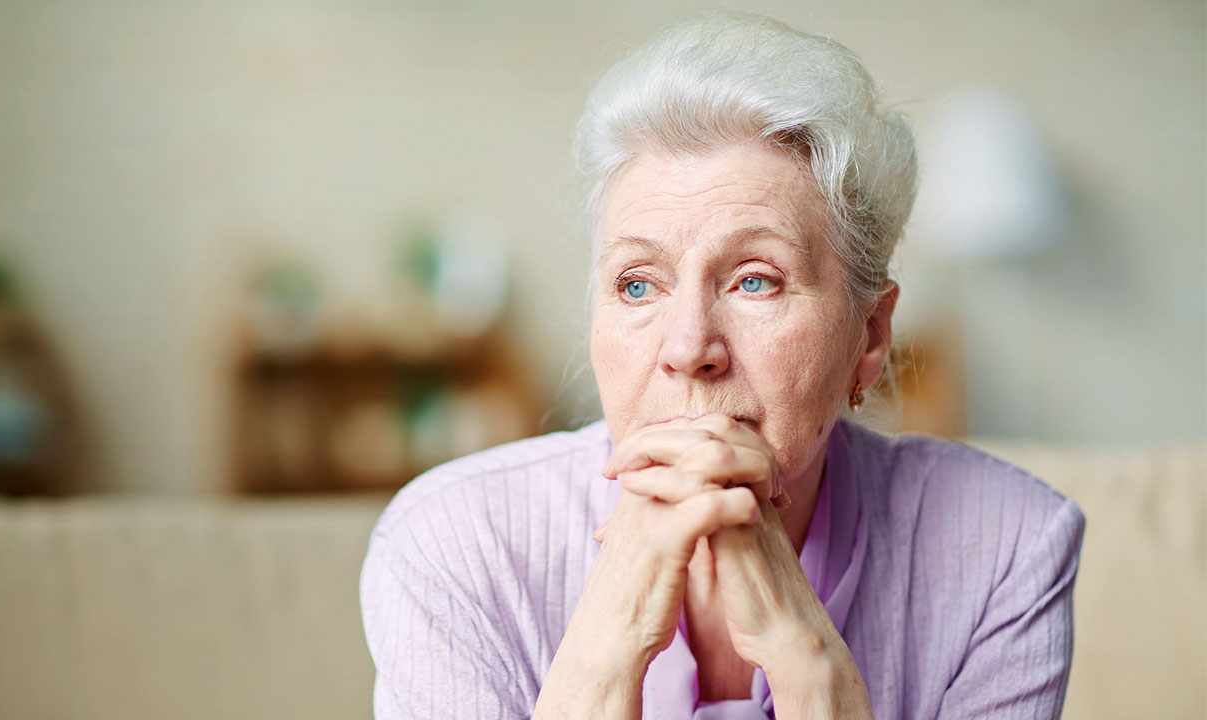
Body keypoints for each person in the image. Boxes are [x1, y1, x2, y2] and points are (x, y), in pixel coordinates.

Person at [360, 11, 1085, 720]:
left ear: (869, 337)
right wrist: (606, 645)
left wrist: (805, 659)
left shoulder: (1007, 546)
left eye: (755, 281)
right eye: (637, 285)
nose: (688, 348)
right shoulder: (452, 546)